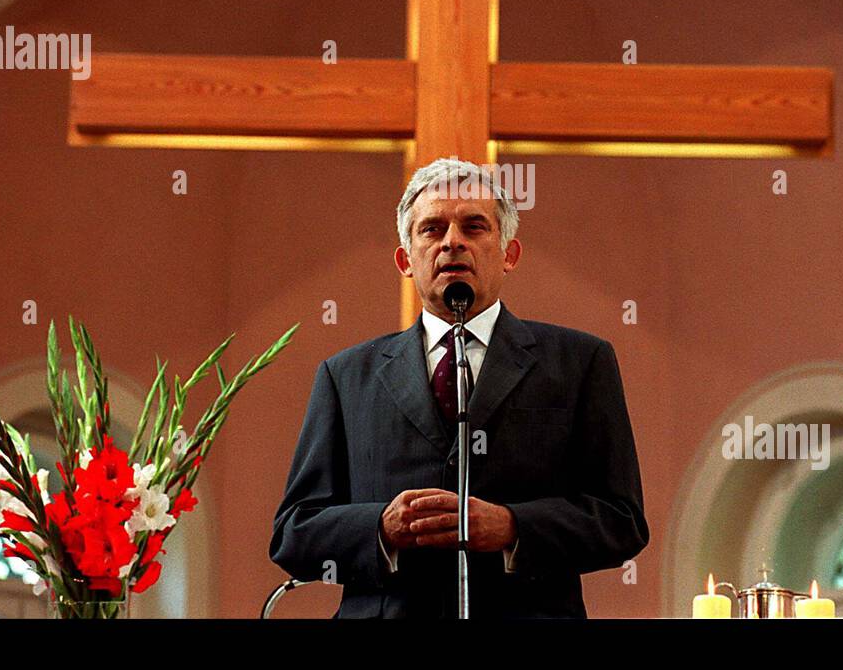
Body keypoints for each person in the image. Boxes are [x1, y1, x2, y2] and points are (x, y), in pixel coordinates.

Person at [270, 157, 648, 617]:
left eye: (474, 227)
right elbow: (294, 532)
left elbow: (621, 521)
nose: (452, 242)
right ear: (405, 260)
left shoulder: (580, 362)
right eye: (431, 229)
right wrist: (381, 527)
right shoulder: (346, 375)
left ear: (509, 254)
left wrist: (511, 526)